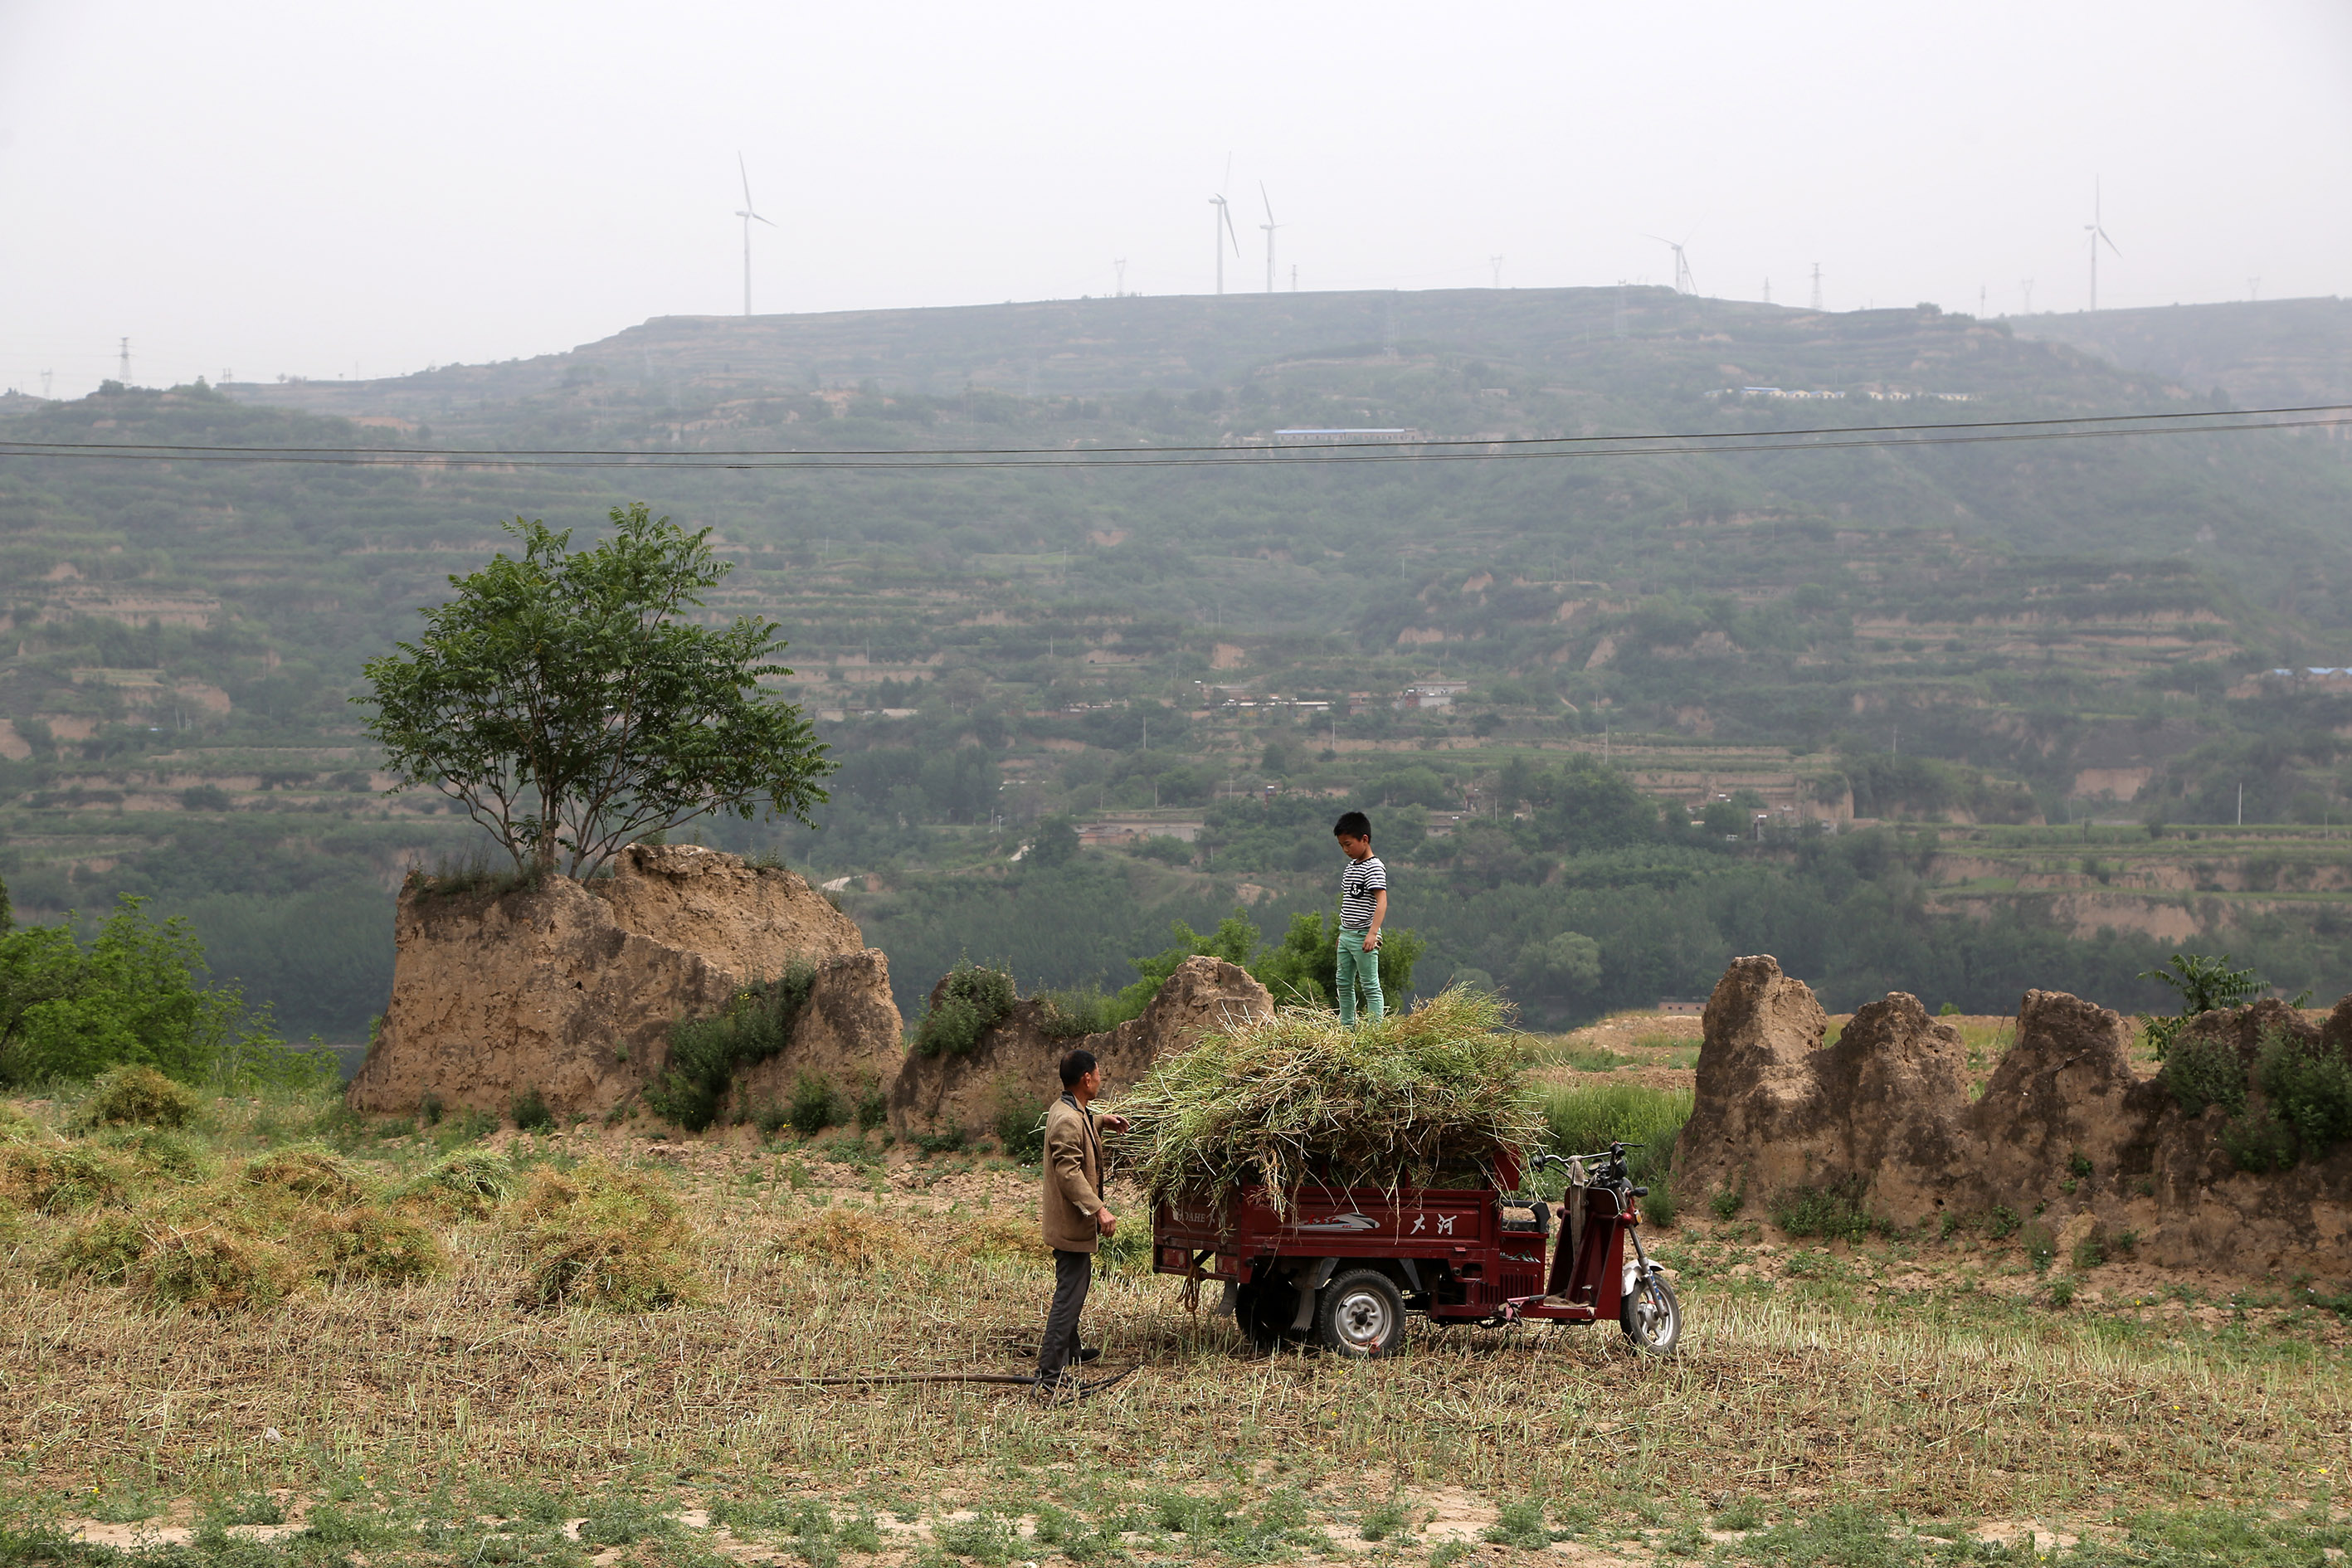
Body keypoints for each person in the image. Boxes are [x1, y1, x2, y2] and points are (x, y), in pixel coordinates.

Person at [1037, 1047, 1128, 1389]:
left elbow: (1083, 1124)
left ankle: (1072, 1349)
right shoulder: (1066, 1119)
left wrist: (1105, 1120)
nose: (1101, 1079)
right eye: (1099, 1074)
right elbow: (1068, 1172)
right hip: (1070, 1223)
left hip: (1071, 1223)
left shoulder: (1072, 1110)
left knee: (1076, 1283)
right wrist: (1099, 1208)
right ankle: (1050, 1369)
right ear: (1086, 1078)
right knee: (1070, 1293)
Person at [1332, 811, 1387, 1026]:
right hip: (1347, 934)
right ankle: (1347, 1027)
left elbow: (1382, 901)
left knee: (1370, 985)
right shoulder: (1351, 867)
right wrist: (1342, 933)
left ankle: (1375, 1032)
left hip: (1364, 934)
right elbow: (1349, 902)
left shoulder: (1374, 867)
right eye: (1342, 846)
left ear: (1364, 839)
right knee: (1343, 982)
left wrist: (1373, 933)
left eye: (1348, 844)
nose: (1346, 850)